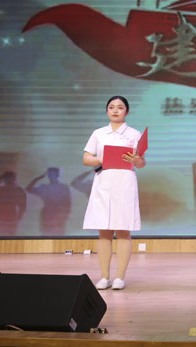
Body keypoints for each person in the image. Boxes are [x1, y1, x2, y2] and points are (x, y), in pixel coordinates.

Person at [82, 96, 145, 291]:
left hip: (125, 183)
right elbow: (86, 158)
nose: (115, 110)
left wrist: (136, 160)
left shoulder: (134, 134)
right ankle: (104, 277)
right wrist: (102, 158)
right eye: (111, 107)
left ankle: (119, 277)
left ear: (127, 111)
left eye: (120, 107)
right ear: (107, 110)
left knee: (123, 230)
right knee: (104, 231)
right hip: (104, 183)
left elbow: (142, 163)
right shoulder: (99, 133)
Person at [26, 167, 72, 236]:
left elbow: (68, 203)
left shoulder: (63, 187)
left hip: (59, 214)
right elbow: (28, 189)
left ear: (57, 174)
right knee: (46, 234)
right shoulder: (45, 187)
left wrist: (66, 215)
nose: (50, 176)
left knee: (58, 235)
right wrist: (38, 178)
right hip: (47, 214)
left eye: (52, 174)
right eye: (49, 174)